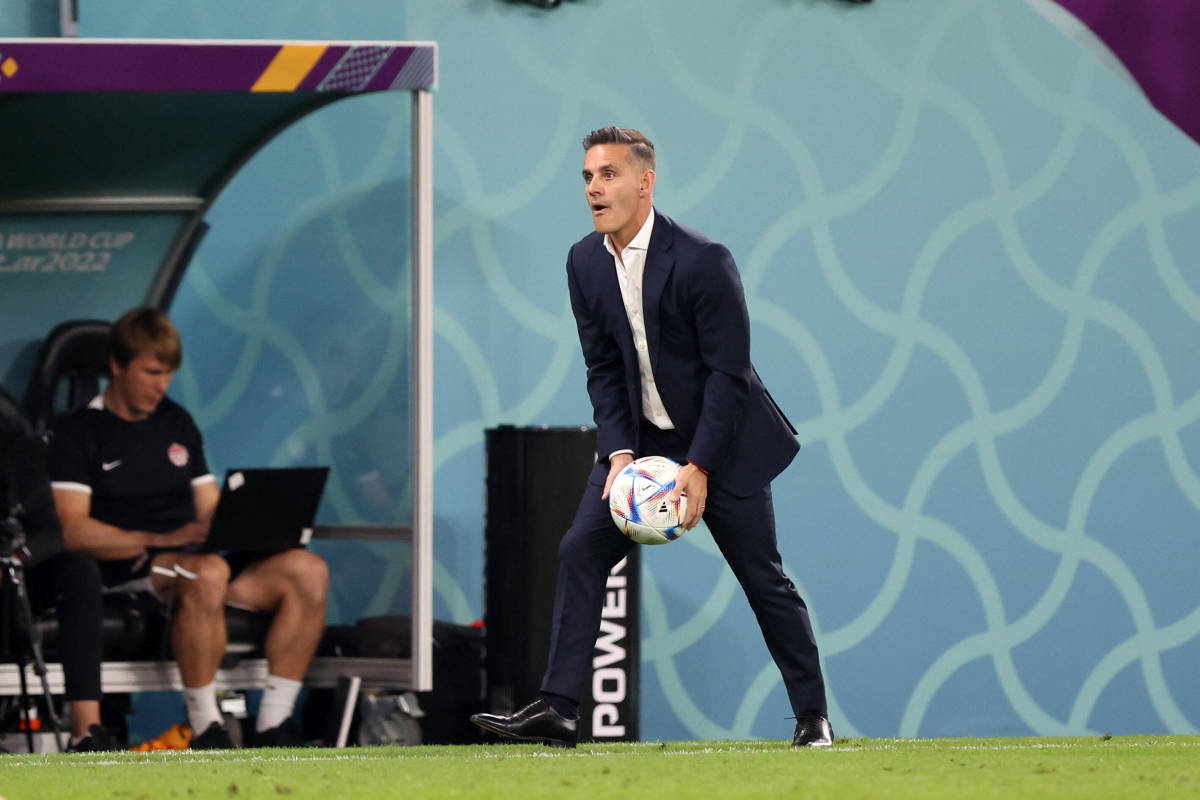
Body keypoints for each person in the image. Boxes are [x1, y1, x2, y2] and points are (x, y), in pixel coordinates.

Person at [470, 127, 833, 748]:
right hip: (641, 447)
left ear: (646, 182)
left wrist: (700, 466)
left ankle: (812, 717)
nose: (593, 188)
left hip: (724, 447)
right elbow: (603, 368)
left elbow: (729, 375)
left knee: (761, 578)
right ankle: (558, 709)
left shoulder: (701, 259)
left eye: (607, 174)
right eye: (586, 176)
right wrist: (619, 454)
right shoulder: (583, 261)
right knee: (579, 551)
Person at [48, 308, 330, 749]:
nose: (162, 386)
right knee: (204, 573)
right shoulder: (78, 432)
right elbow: (71, 530)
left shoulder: (177, 422)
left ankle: (274, 725)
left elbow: (211, 508)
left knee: (308, 570)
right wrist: (161, 539)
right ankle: (205, 726)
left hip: (194, 560)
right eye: (152, 372)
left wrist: (252, 524)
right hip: (134, 570)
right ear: (117, 366)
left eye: (169, 374)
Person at [0, 422, 116, 751]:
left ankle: (86, 732)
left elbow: (50, 533)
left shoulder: (15, 446)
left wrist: (15, 559)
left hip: (10, 579)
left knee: (78, 571)